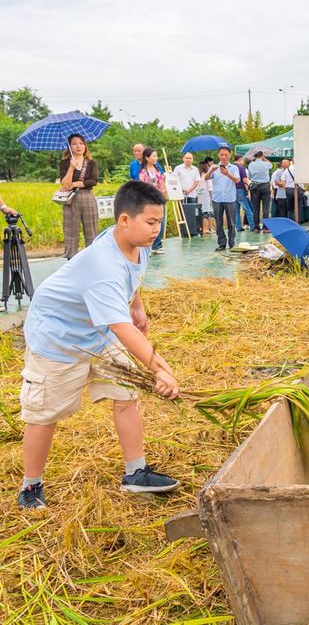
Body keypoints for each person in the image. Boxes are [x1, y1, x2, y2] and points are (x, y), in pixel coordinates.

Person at [16, 181, 182, 509]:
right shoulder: (102, 266)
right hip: (59, 339)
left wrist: (137, 306)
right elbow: (122, 330)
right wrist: (162, 370)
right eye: (151, 222)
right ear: (124, 220)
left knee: (126, 394)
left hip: (97, 331)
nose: (156, 229)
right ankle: (30, 486)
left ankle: (136, 473)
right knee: (44, 413)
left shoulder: (137, 244)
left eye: (159, 221)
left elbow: (132, 281)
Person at [58, 134, 100, 259]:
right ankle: (71, 259)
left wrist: (75, 184)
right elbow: (65, 184)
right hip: (71, 199)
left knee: (91, 229)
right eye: (74, 143)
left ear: (85, 145)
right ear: (69, 146)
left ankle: (93, 257)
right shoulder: (65, 163)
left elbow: (94, 180)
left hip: (87, 197)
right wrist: (71, 168)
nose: (78, 146)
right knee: (71, 230)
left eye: (81, 143)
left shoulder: (91, 163)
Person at [204, 145, 238, 251]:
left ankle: (232, 243)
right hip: (217, 198)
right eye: (221, 154)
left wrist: (227, 174)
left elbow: (237, 180)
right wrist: (211, 171)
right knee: (218, 222)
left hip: (230, 198)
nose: (223, 157)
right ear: (218, 155)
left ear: (230, 155)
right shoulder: (214, 167)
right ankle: (222, 244)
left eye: (225, 155)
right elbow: (206, 178)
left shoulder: (234, 168)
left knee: (231, 222)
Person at [137, 148, 167, 254]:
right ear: (147, 158)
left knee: (160, 223)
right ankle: (147, 246)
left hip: (159, 199)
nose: (156, 158)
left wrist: (163, 191)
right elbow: (143, 187)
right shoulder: (143, 172)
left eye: (156, 156)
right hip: (149, 201)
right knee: (149, 223)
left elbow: (162, 183)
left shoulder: (157, 169)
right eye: (153, 156)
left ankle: (157, 245)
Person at [247, 152, 272, 232]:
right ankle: (265, 228)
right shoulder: (266, 163)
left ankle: (256, 227)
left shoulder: (250, 164)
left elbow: (250, 177)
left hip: (254, 186)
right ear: (262, 155)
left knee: (256, 208)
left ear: (254, 156)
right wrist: (264, 158)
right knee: (266, 208)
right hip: (265, 186)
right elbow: (271, 165)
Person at [231, 155, 255, 233]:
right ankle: (253, 226)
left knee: (236, 210)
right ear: (240, 160)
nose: (243, 162)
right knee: (247, 208)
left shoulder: (230, 167)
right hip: (240, 189)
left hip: (232, 190)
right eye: (243, 161)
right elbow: (244, 180)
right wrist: (250, 185)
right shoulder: (241, 168)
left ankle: (238, 227)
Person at [196, 157, 215, 234]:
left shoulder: (199, 176)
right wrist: (212, 196)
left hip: (199, 196)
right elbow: (210, 187)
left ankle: (204, 229)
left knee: (203, 212)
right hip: (207, 195)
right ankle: (208, 229)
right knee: (208, 212)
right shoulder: (207, 175)